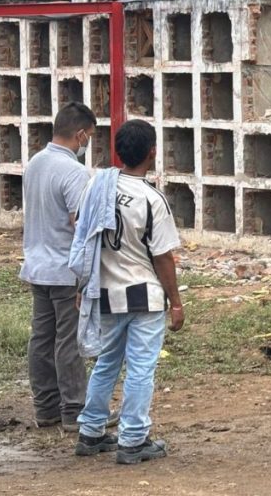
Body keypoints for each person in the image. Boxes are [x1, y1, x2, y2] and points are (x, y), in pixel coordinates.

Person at [74, 120, 184, 464]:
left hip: (104, 292)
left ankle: (91, 431)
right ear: (152, 152)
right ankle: (133, 440)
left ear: (119, 152)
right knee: (140, 368)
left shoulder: (98, 187)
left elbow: (82, 232)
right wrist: (176, 302)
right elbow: (163, 257)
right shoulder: (152, 199)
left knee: (106, 363)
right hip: (142, 294)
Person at [21, 102, 96, 432]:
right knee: (69, 341)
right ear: (80, 133)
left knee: (41, 338)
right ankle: (75, 411)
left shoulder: (35, 163)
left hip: (37, 265)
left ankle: (46, 408)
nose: (88, 143)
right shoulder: (74, 172)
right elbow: (78, 222)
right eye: (89, 136)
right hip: (65, 270)